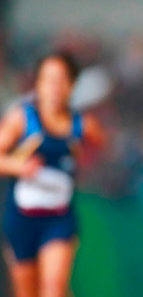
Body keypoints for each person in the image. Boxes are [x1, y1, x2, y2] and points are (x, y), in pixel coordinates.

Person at [0, 52, 106, 297]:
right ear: (37, 84)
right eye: (48, 80)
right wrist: (18, 167)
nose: (54, 88)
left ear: (72, 86)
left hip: (59, 218)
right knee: (26, 292)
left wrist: (84, 159)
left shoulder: (83, 125)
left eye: (61, 80)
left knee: (54, 288)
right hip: (22, 219)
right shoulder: (22, 119)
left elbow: (103, 152)